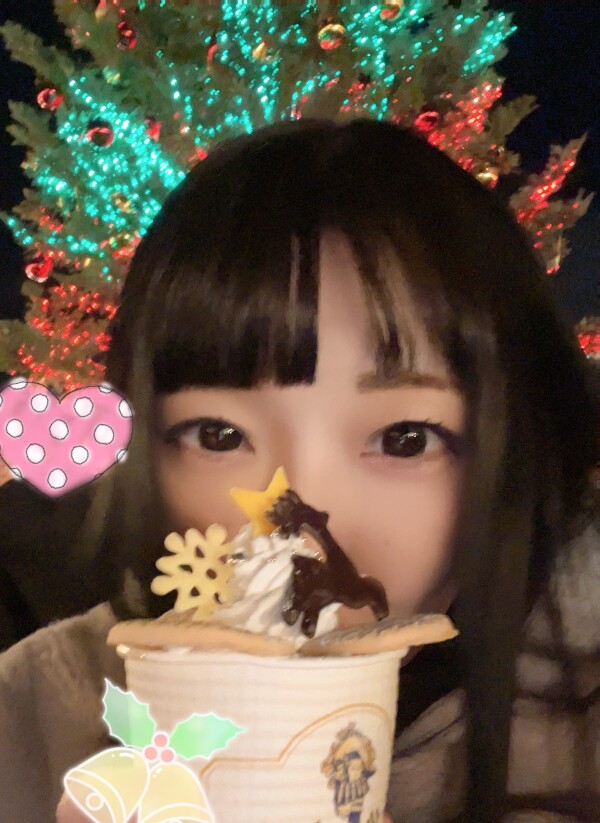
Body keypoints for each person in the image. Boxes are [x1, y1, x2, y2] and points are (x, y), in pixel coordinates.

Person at [0, 118, 598, 823]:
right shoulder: (38, 715)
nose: (301, 534)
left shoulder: (579, 717)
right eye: (218, 434)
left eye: (405, 439)